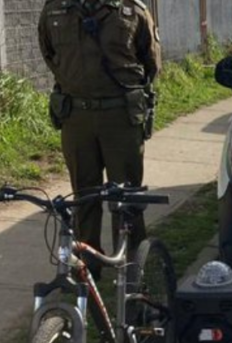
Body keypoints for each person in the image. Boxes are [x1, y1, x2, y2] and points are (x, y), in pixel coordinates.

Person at [38, 0, 161, 277]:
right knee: (83, 195)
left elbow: (151, 62)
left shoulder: (132, 10)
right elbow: (50, 54)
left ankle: (131, 268)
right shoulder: (55, 9)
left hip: (120, 118)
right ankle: (87, 266)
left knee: (126, 197)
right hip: (77, 118)